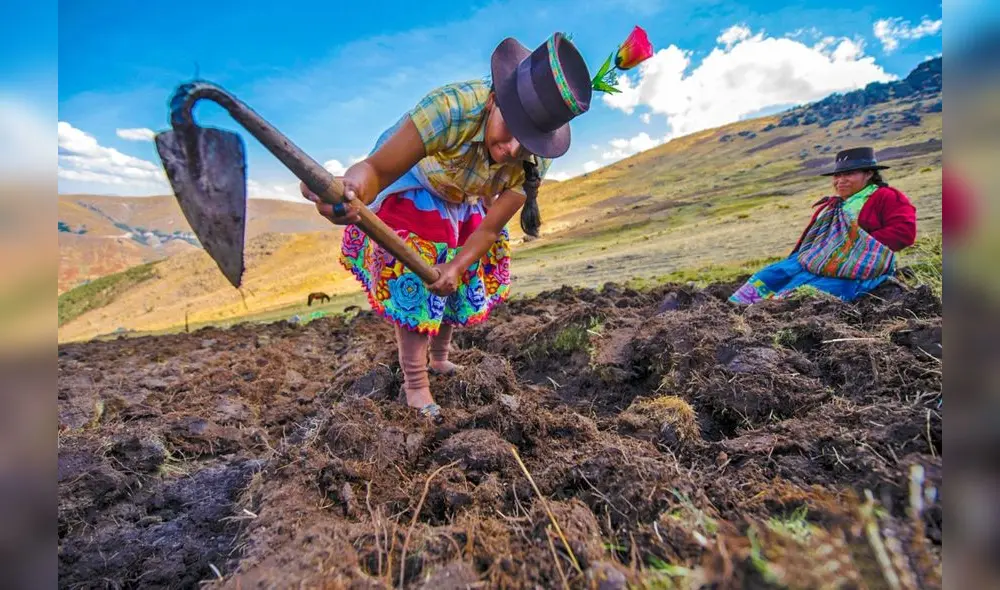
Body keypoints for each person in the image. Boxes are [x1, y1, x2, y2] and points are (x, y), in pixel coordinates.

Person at [301, 33, 595, 421]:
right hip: (418, 187)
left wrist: (456, 267)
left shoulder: (533, 161)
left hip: (467, 202)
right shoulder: (451, 108)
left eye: (527, 145)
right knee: (419, 280)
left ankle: (439, 359)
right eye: (511, 132)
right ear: (494, 100)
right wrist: (352, 190)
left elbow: (489, 231)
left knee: (454, 277)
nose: (511, 151)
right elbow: (377, 169)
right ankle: (415, 382)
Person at [729, 147, 917, 304]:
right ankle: (738, 311)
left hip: (858, 267)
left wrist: (851, 248)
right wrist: (823, 252)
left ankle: (769, 316)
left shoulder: (887, 196)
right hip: (819, 260)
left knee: (809, 290)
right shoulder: (836, 204)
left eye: (849, 174)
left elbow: (904, 233)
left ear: (868, 174)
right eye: (837, 175)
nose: (840, 180)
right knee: (772, 275)